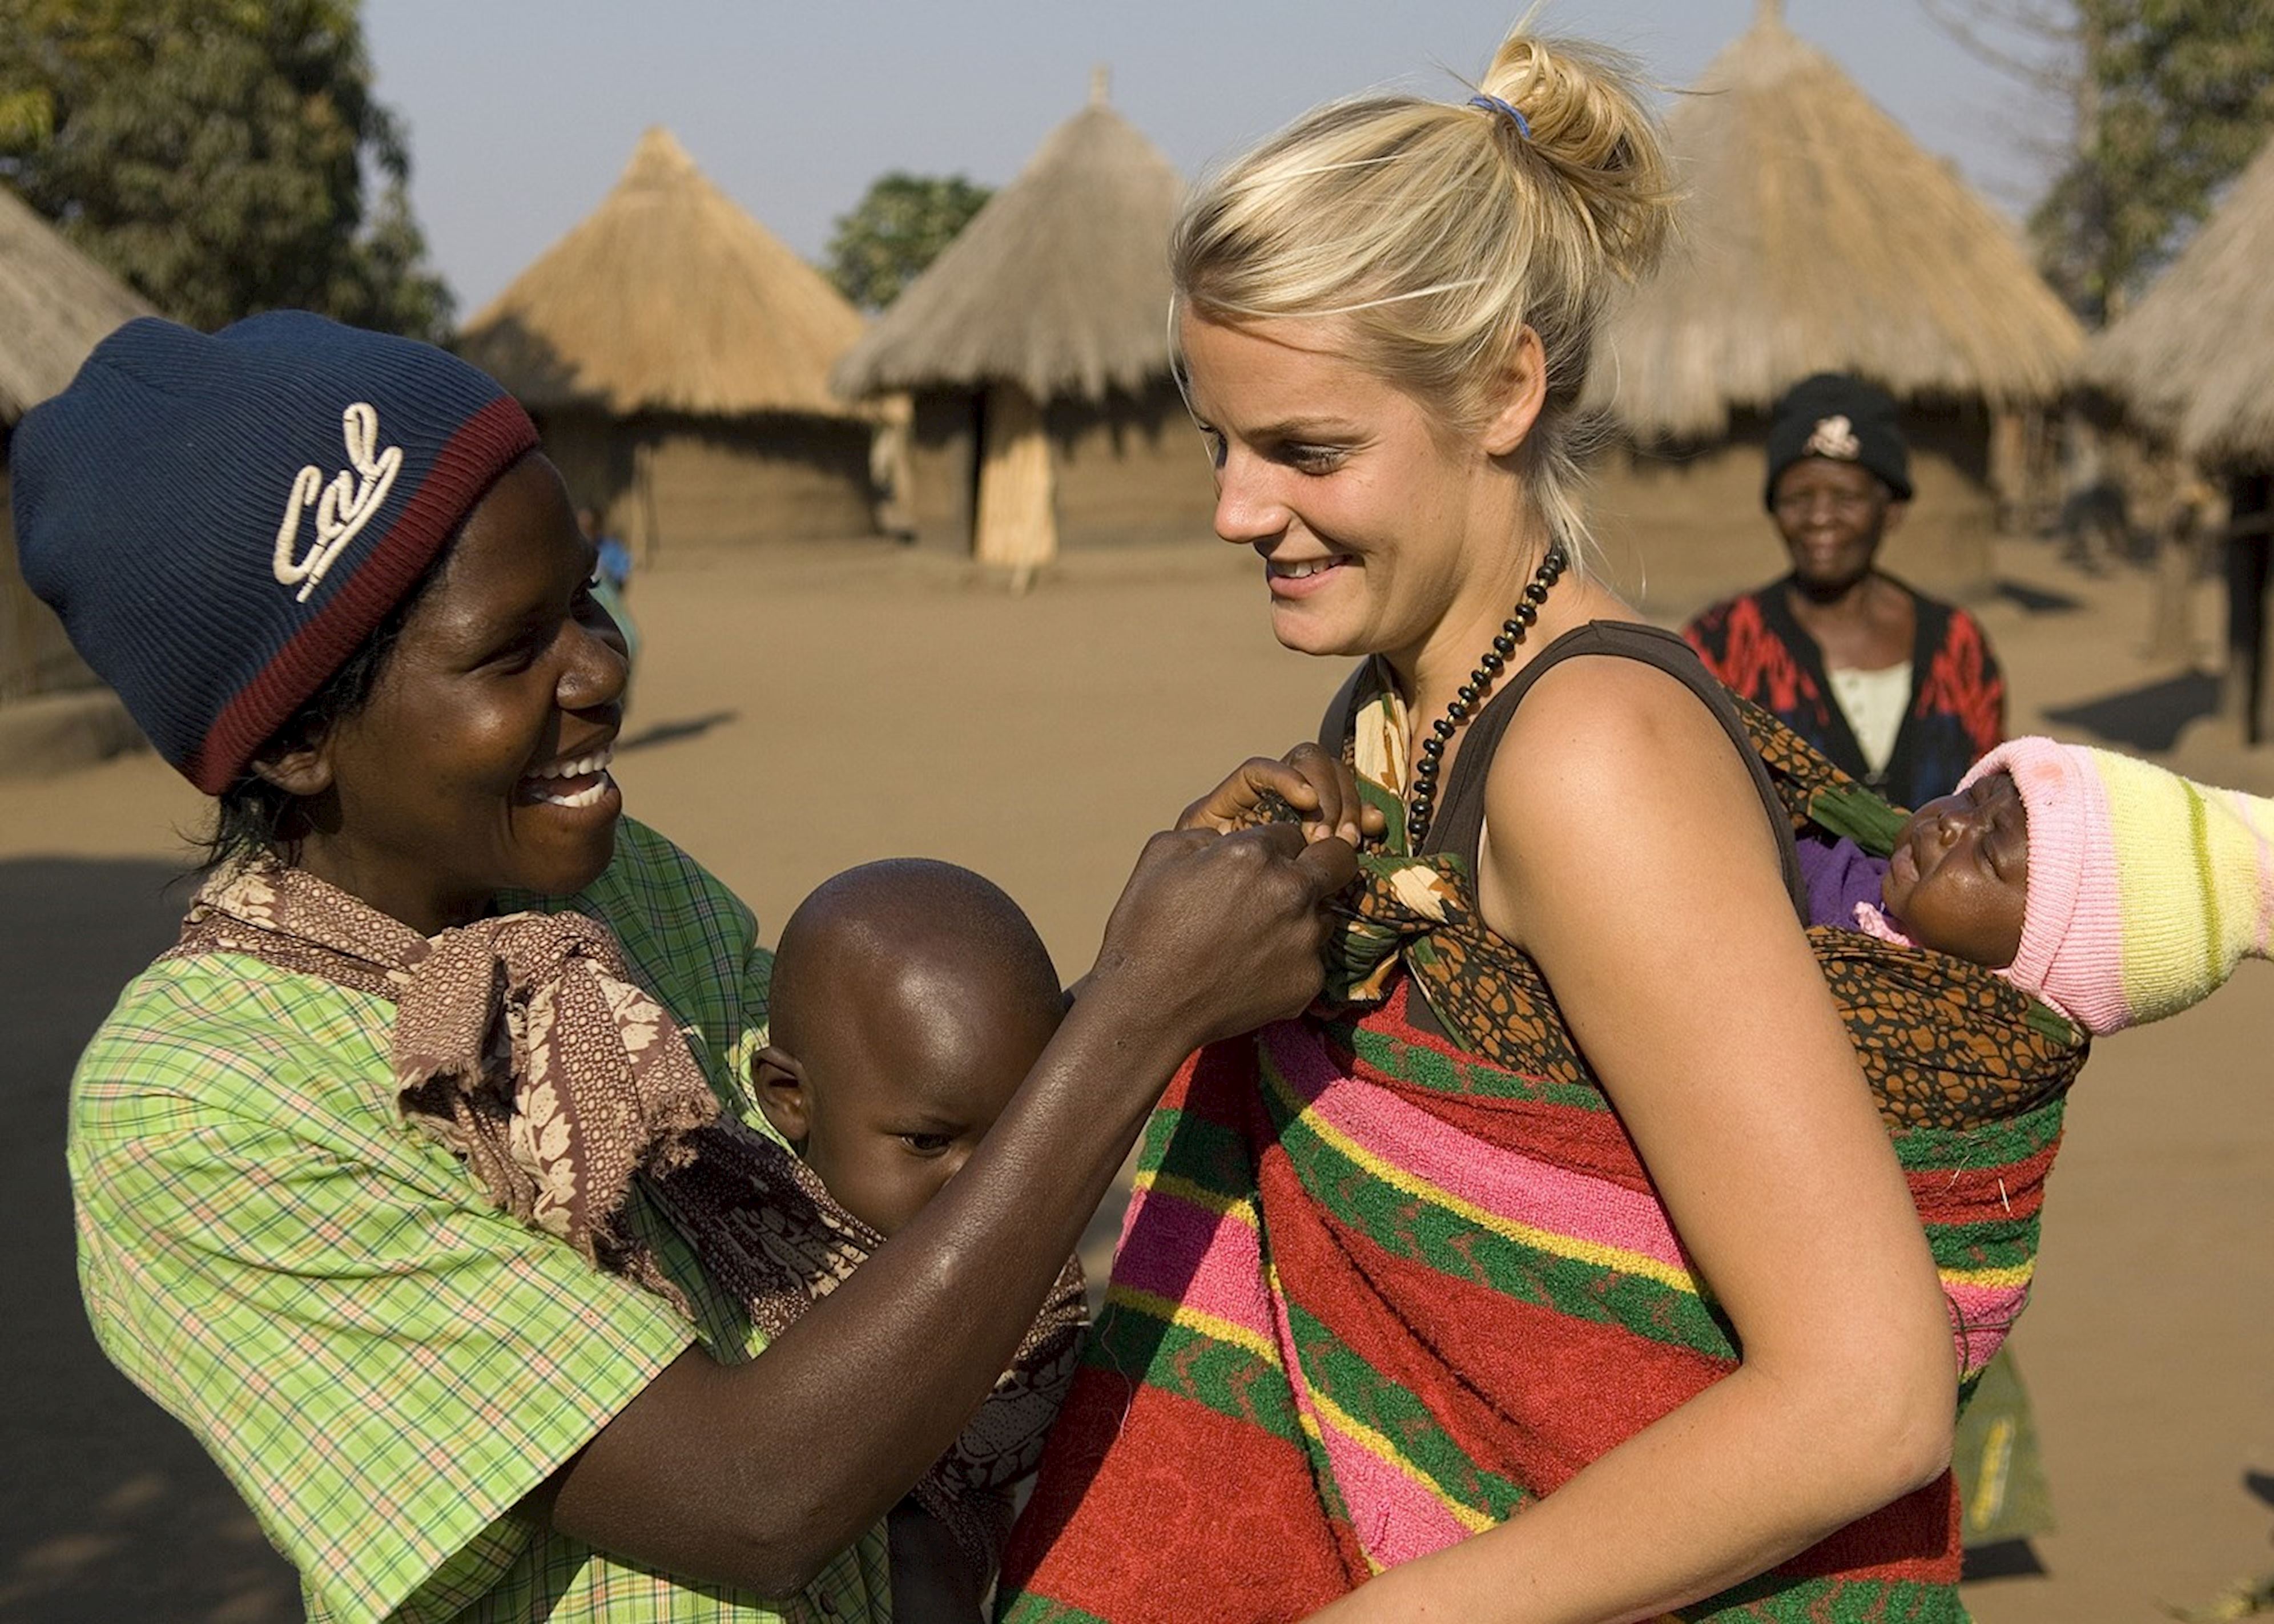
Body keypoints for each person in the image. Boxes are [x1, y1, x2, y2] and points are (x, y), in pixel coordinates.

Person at [17, 311, 1358, 1624]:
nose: (597, 671)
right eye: (509, 649)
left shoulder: (610, 886)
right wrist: (1135, 1016)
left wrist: (1153, 953)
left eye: (588, 597)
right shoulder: (205, 1112)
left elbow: (872, 1163)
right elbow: (752, 1494)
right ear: (298, 740)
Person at [1002, 27, 1990, 1624]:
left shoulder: (1587, 754)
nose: (1234, 511)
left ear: (1503, 387)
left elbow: (1863, 1389)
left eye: (1306, 449)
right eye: (1220, 442)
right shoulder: (1392, 719)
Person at [752, 859, 1087, 1621]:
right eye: (927, 1143)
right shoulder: (751, 1266)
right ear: (789, 1097)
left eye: (1009, 1142)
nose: (980, 1188)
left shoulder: (1033, 1285)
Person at [1684, 373, 2006, 810]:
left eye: (1845, 497)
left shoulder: (1957, 647)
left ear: (1890, 511)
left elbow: (1989, 803)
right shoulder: (1721, 646)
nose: (1819, 518)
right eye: (1797, 498)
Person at [1807, 738, 2274, 1034]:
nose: (1950, 822)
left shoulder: (1968, 1058)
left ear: (2031, 962)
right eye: (1972, 797)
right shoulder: (1826, 863)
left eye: (1988, 855)